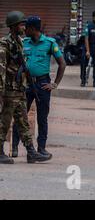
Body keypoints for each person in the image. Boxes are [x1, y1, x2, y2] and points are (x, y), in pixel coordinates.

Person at [0, 11, 52, 164]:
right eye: (21, 24)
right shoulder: (5, 43)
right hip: (9, 90)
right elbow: (1, 68)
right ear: (14, 26)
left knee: (23, 122)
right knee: (4, 121)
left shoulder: (20, 42)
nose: (24, 27)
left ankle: (31, 152)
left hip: (20, 89)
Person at [11, 16, 66, 159]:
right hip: (26, 83)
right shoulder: (24, 43)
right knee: (20, 117)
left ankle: (41, 148)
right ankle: (14, 147)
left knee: (42, 118)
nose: (24, 30)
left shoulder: (50, 43)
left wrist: (55, 83)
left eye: (26, 27)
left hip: (43, 84)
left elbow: (62, 64)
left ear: (33, 29)